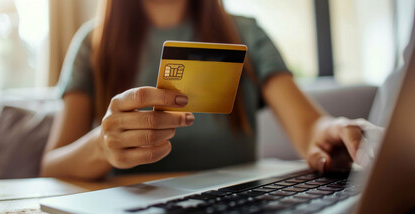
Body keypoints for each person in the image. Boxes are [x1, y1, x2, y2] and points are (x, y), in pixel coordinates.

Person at [40, 0, 371, 180]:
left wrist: (332, 130)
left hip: (237, 212)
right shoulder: (91, 44)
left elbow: (309, 126)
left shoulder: (246, 32)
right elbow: (52, 166)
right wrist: (102, 146)